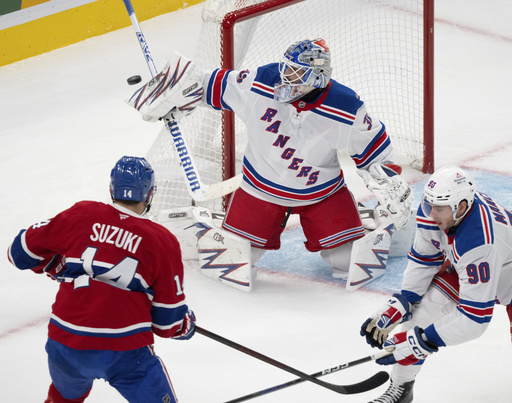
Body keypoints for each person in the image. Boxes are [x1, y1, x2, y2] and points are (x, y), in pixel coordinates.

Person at [131, 38, 412, 278]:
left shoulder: (347, 107)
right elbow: (209, 84)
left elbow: (375, 156)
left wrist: (386, 185)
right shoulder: (262, 81)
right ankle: (209, 221)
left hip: (321, 194)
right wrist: (171, 92)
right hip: (261, 190)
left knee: (349, 263)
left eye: (295, 72)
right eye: (286, 68)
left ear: (317, 77)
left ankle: (369, 222)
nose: (285, 76)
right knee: (234, 262)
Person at [7, 156, 196, 403]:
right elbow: (166, 325)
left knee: (63, 398)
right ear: (149, 195)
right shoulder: (162, 241)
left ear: (111, 190)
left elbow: (18, 253)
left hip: (65, 343)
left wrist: (55, 265)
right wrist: (185, 325)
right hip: (125, 354)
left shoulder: (82, 214)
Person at [360, 165, 512, 403]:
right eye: (430, 205)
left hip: (506, 274)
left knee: (418, 336)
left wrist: (424, 341)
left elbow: (474, 320)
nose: (431, 213)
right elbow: (425, 259)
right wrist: (404, 300)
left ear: (461, 207)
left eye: (439, 208)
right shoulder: (435, 208)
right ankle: (401, 389)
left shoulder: (478, 241)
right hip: (475, 268)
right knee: (420, 315)